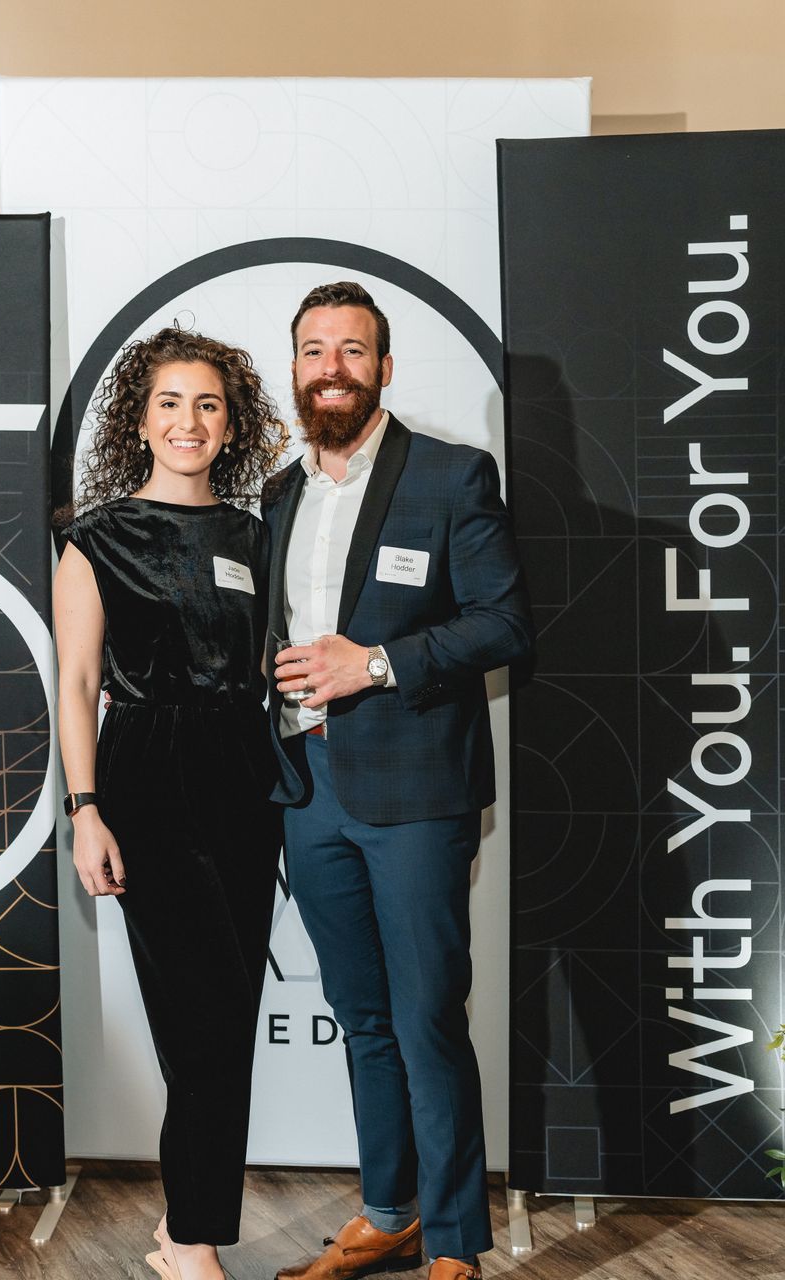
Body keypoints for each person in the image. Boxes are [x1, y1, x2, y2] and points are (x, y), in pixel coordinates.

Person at [267, 283, 535, 1280]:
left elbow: (505, 626)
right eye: (312, 349)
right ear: (293, 368)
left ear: (383, 366)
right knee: (364, 1014)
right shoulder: (278, 494)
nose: (330, 365)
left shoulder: (451, 475)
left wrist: (373, 661)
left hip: (417, 790)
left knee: (425, 1014)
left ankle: (457, 1239)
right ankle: (390, 1210)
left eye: (351, 347)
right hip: (307, 788)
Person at [53, 327, 288, 1280]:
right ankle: (191, 1242)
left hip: (244, 770)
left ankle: (179, 1222)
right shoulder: (97, 538)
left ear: (231, 425)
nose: (188, 422)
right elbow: (74, 682)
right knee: (205, 1023)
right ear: (138, 420)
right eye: (168, 404)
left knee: (224, 1019)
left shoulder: (257, 534)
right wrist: (85, 809)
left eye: (207, 405)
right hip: (146, 771)